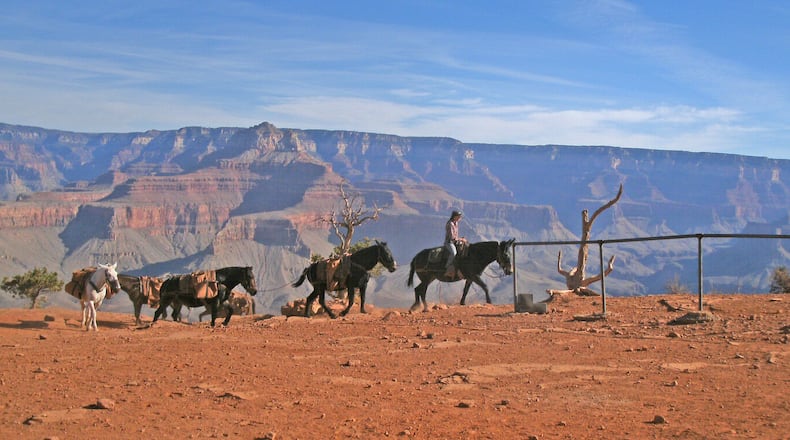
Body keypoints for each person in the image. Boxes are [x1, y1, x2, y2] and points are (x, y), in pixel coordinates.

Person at [444, 210, 466, 277]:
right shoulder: (450, 224)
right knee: (454, 253)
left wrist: (461, 239)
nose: (460, 218)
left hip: (455, 241)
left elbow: (456, 236)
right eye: (459, 217)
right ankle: (446, 267)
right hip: (449, 242)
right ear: (455, 217)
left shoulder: (456, 223)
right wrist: (461, 239)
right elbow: (452, 237)